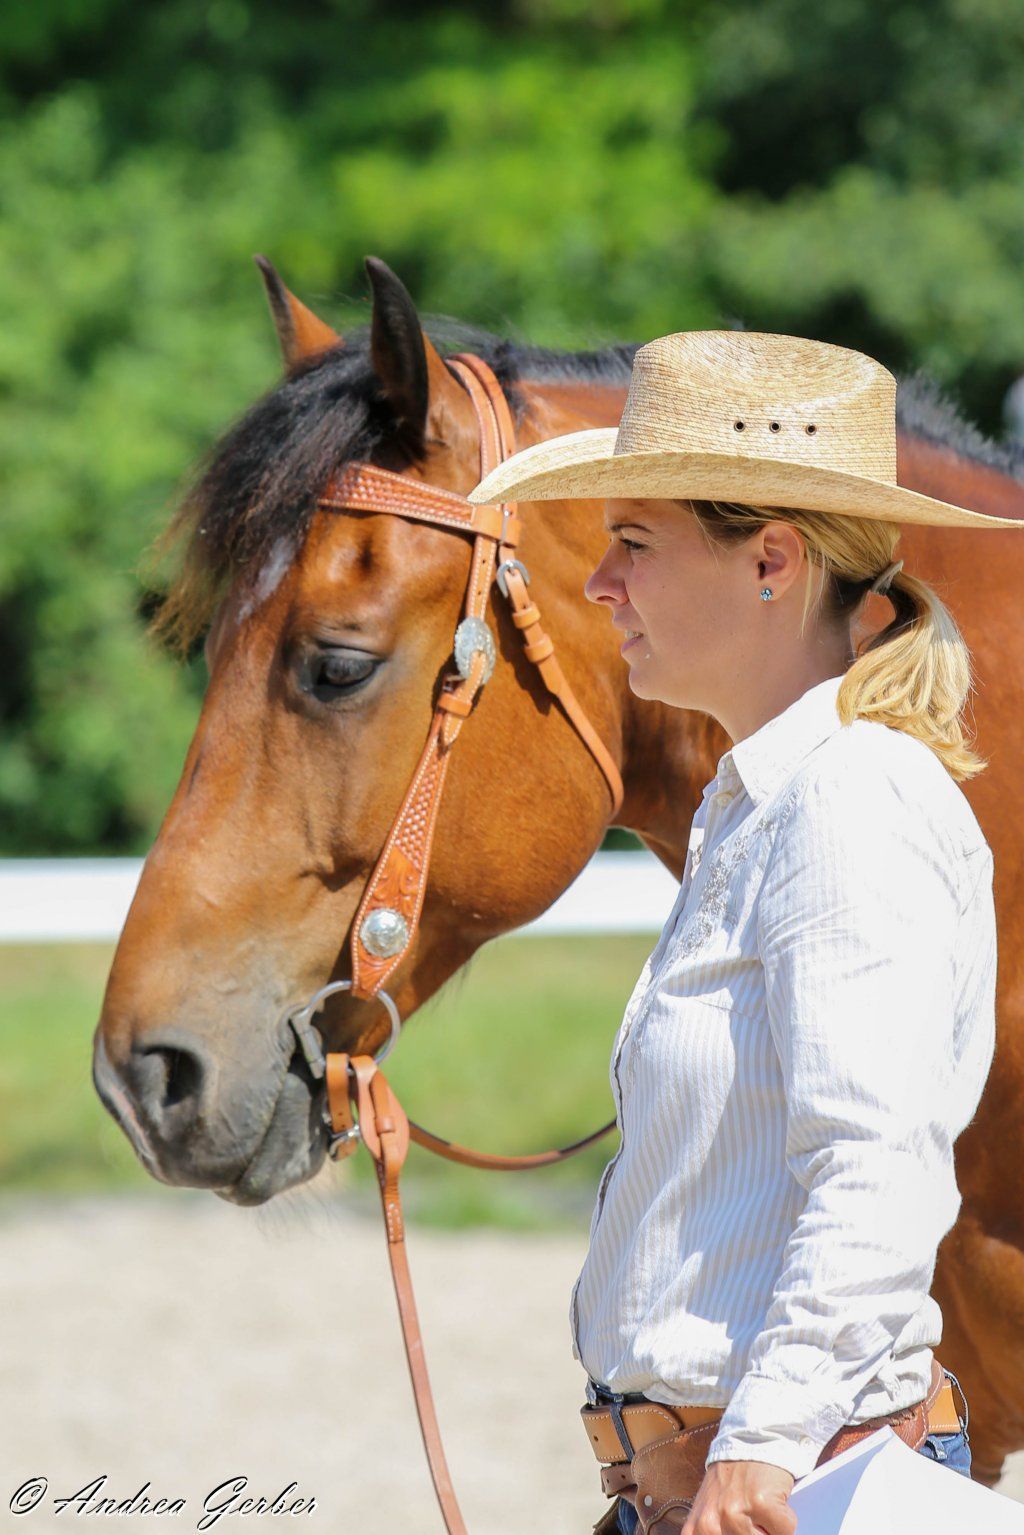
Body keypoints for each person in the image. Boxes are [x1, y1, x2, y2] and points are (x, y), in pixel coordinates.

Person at [468, 331, 1015, 1535]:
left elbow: (874, 1167)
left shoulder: (847, 800)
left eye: (636, 542)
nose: (602, 582)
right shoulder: (764, 802)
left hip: (781, 1485)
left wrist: (756, 1447)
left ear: (772, 558)